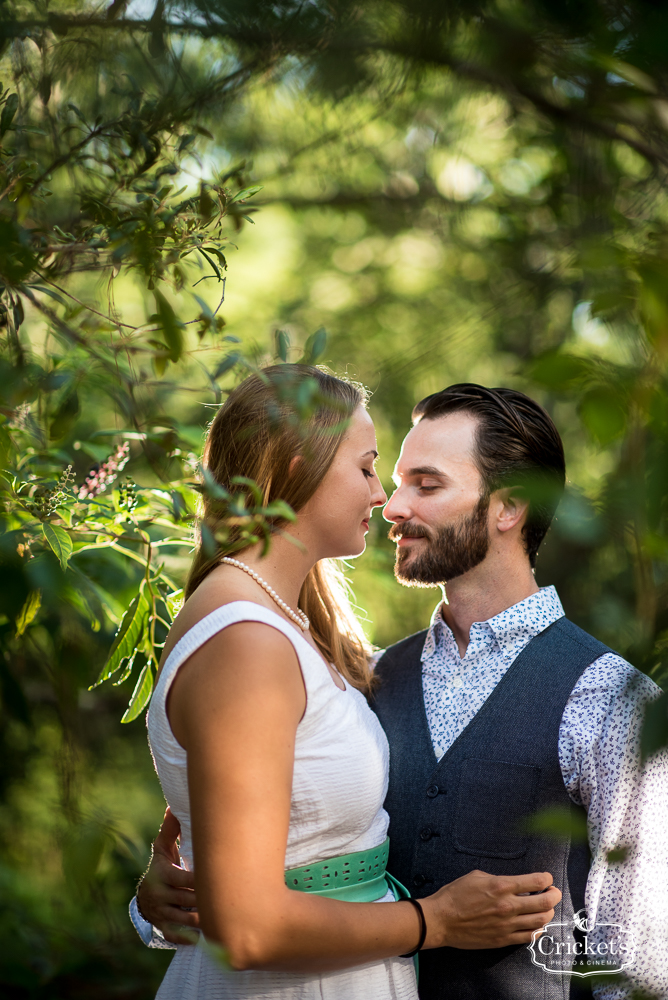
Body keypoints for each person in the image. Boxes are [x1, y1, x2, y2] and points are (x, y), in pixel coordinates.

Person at [133, 366, 561, 1000]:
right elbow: (246, 928)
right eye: (367, 469)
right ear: (292, 472)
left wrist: (163, 891)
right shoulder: (246, 640)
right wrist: (435, 922)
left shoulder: (290, 626)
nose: (381, 499)